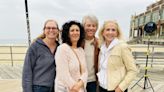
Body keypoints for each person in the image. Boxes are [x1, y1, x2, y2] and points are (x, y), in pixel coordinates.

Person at [97, 20, 138, 92]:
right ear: (103, 32)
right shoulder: (102, 47)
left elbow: (133, 70)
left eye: (113, 30)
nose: (110, 32)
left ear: (117, 33)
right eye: (107, 30)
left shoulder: (122, 47)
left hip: (116, 89)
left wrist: (120, 88)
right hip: (101, 87)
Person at [22, 19, 60, 92]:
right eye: (48, 28)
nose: (51, 30)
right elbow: (27, 71)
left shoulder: (60, 48)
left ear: (58, 31)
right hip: (38, 88)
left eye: (54, 28)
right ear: (44, 30)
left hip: (55, 88)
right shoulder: (35, 46)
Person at [55, 20, 88, 92]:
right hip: (66, 89)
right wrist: (75, 88)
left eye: (77, 30)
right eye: (72, 30)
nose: (75, 32)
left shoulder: (81, 50)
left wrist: (80, 84)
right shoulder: (62, 48)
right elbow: (63, 74)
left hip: (80, 88)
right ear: (67, 34)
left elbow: (85, 72)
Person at [82, 15, 99, 92]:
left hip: (93, 81)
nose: (91, 28)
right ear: (83, 26)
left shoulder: (99, 43)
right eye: (88, 25)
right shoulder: (77, 42)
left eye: (94, 26)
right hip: (79, 80)